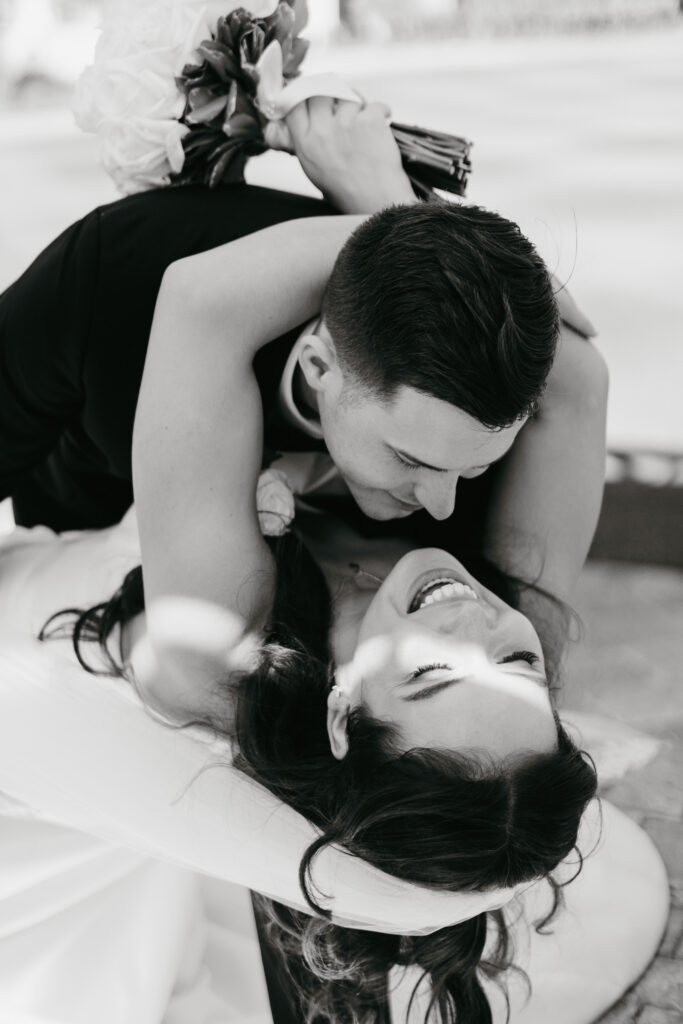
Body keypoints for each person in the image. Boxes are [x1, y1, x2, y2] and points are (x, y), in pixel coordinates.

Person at [0, 99, 607, 691]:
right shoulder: (111, 284)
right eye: (410, 459)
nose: (443, 504)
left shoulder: (502, 398)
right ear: (320, 366)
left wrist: (400, 217)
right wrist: (391, 217)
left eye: (474, 467)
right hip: (96, 522)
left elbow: (581, 375)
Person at [0, 504, 669, 1024]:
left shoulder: (178, 685)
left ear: (343, 716)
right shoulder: (432, 617)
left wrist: (414, 902)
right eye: (524, 668)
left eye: (432, 673)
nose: (474, 623)